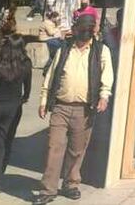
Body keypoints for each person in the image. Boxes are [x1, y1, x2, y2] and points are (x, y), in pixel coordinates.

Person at [35, 14, 113, 204]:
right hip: (61, 107)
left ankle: (70, 184)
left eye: (87, 32)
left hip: (84, 109)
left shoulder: (101, 51)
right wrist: (44, 100)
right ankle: (48, 189)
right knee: (54, 147)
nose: (83, 36)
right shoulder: (65, 50)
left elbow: (107, 75)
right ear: (76, 30)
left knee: (76, 150)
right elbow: (51, 75)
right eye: (81, 32)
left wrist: (104, 96)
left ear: (92, 32)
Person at [0, 35, 32, 194]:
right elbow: (27, 87)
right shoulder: (25, 64)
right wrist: (23, 98)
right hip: (12, 108)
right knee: (3, 143)